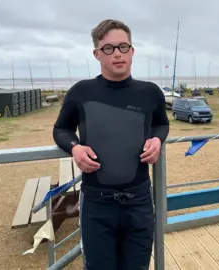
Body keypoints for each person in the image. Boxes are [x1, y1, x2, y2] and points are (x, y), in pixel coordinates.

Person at [52, 19, 170, 270]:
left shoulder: (150, 93)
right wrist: (75, 147)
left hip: (139, 201)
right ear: (96, 54)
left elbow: (162, 124)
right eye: (109, 48)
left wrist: (157, 140)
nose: (117, 53)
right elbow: (61, 129)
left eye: (123, 47)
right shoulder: (81, 92)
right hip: (97, 204)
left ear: (132, 51)